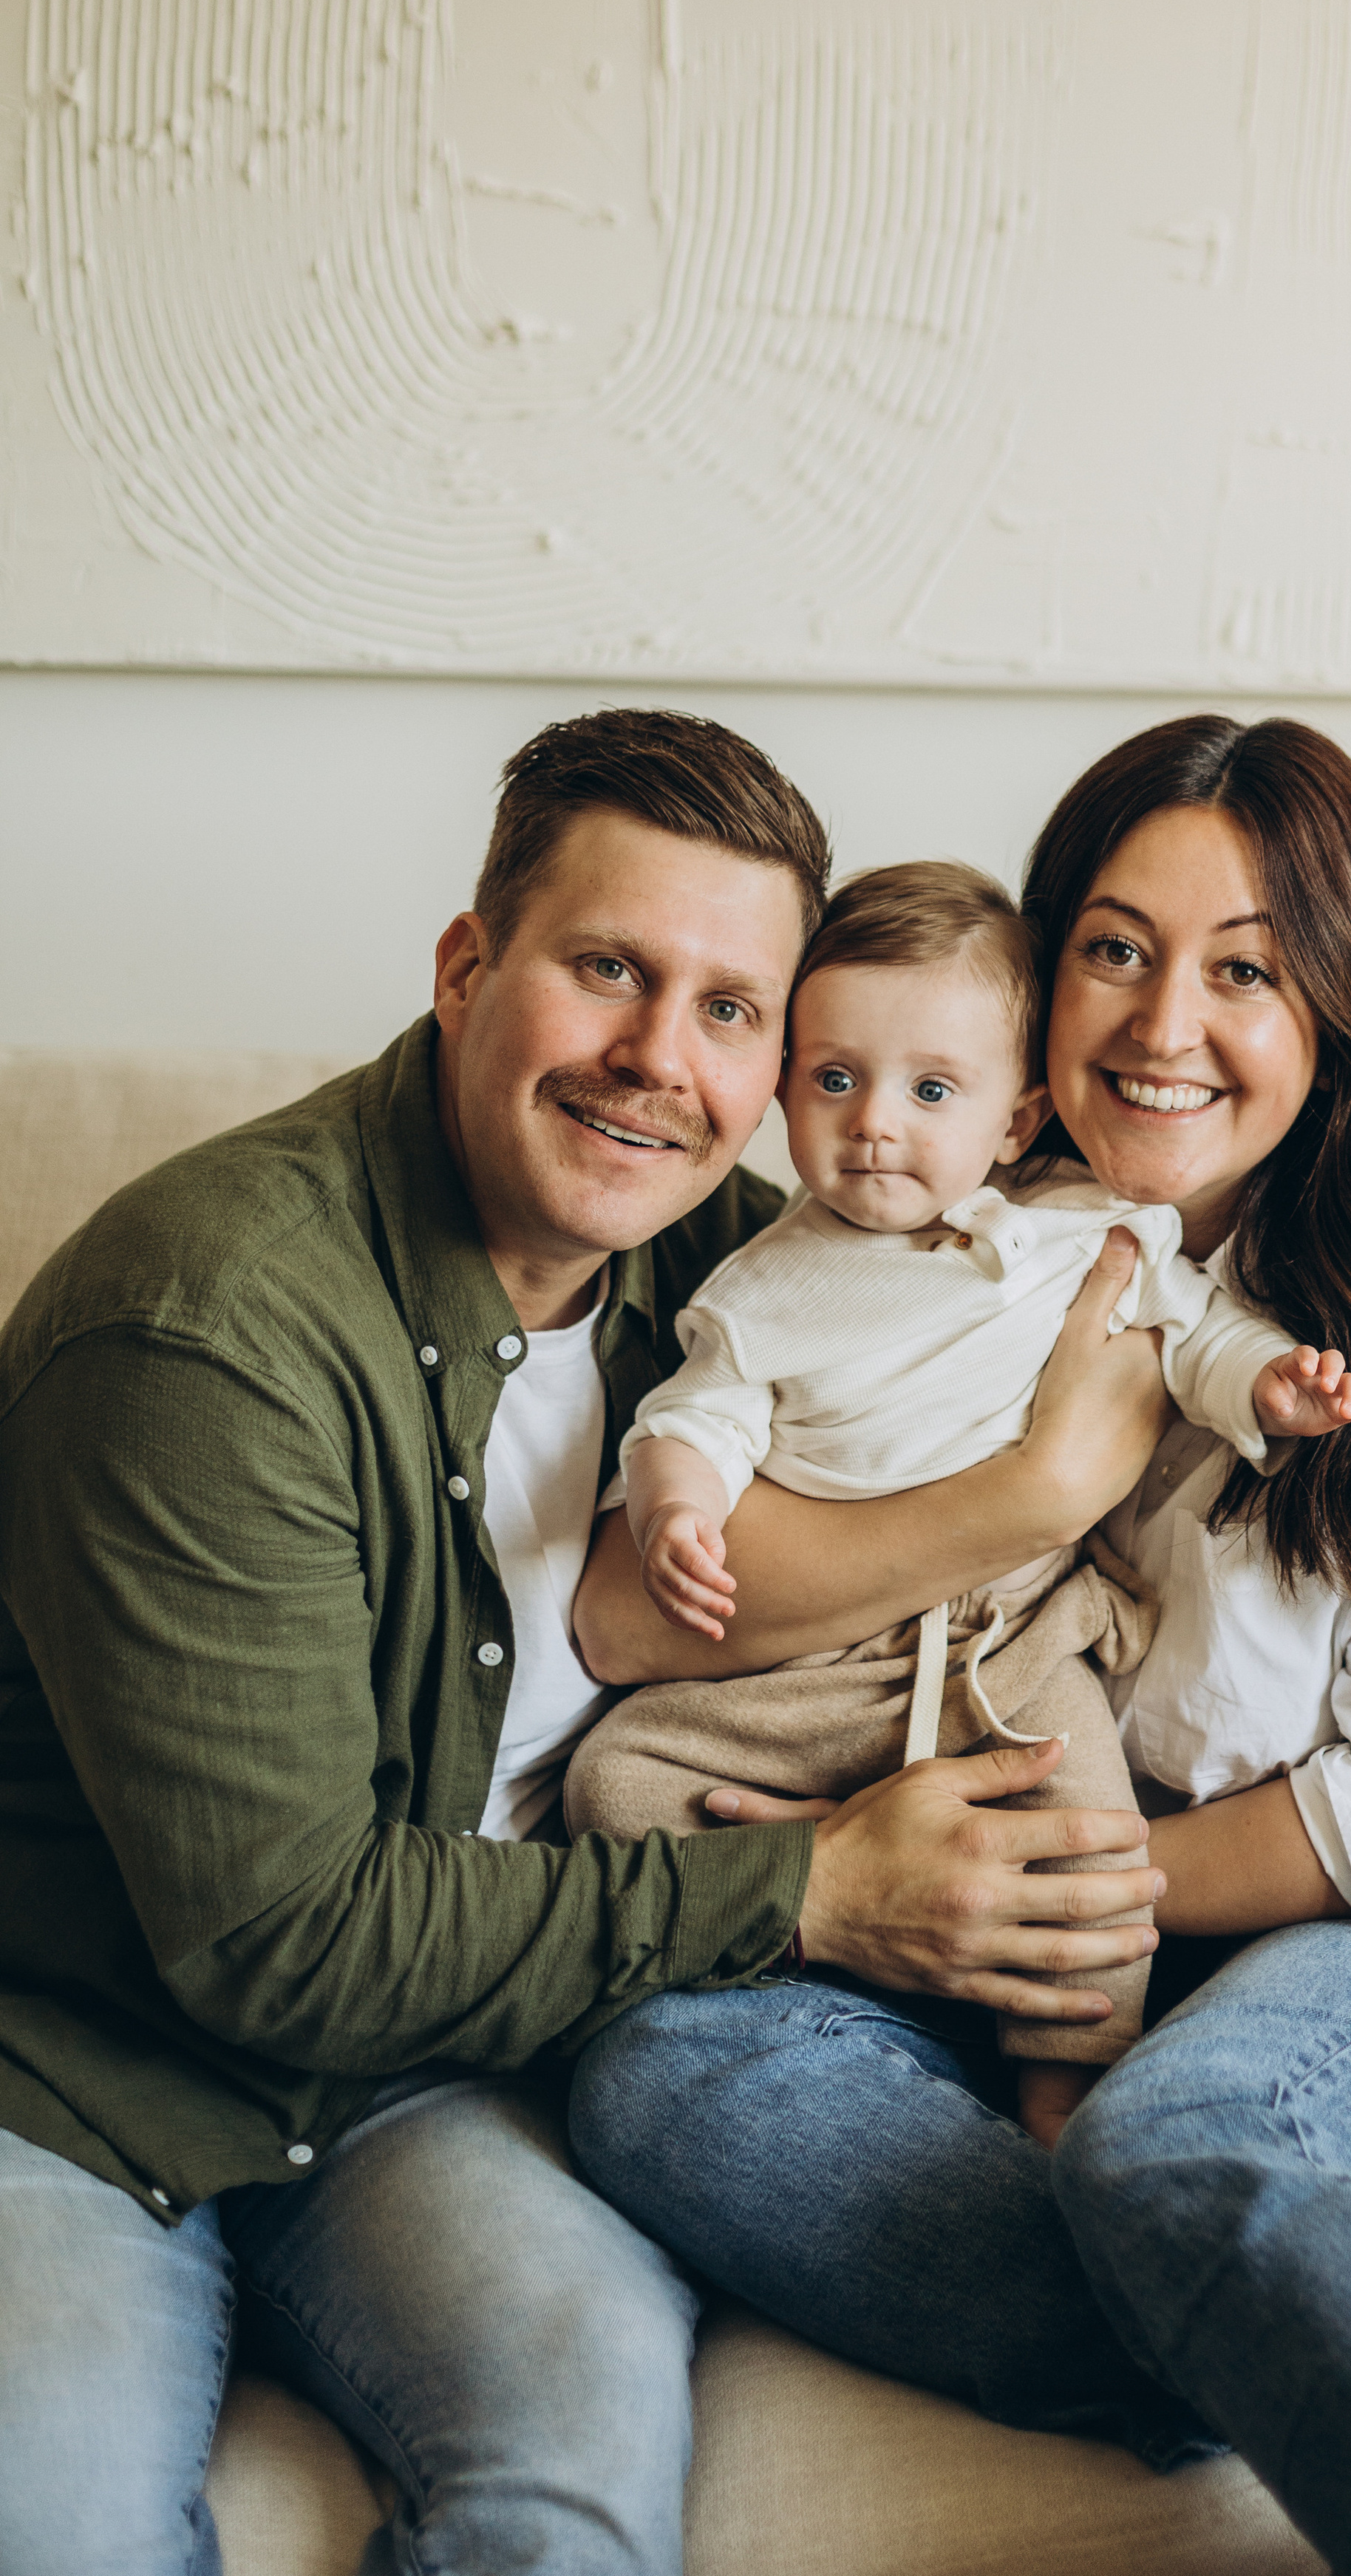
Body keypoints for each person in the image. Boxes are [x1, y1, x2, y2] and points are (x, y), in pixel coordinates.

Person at [0, 709, 1168, 2576]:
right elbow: (282, 1942)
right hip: (71, 2076)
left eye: (728, 1012)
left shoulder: (720, 1260)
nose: (657, 1063)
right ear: (468, 970)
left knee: (575, 2506)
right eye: (610, 970)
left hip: (433, 2078)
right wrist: (806, 1889)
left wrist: (1060, 1480)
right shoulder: (202, 1338)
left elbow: (930, 1416)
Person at [565, 715, 1351, 2576]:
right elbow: (631, 1605)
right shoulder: (941, 1213)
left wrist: (1032, 1894)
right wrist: (1024, 1495)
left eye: (1244, 971)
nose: (1160, 1023)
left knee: (1170, 2143)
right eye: (1112, 949)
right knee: (657, 2079)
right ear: (1033, 999)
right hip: (1050, 1942)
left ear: (1344, 1003)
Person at [565, 856, 1351, 2128]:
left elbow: (1194, 1330)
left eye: (931, 1090)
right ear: (783, 1092)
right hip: (807, 1676)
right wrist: (674, 1507)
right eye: (836, 1080)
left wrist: (1271, 1388)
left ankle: (1064, 2096)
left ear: (1015, 1121)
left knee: (1093, 1846)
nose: (875, 1121)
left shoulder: (1081, 1235)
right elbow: (694, 1419)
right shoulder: (759, 1283)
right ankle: (827, 1899)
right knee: (613, 1783)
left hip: (1017, 1647)